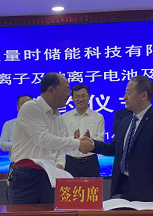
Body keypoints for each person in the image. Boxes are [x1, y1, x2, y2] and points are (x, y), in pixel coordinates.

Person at [83, 76, 153, 203]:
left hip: (150, 191)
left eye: (128, 93)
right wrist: (93, 145)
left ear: (143, 95)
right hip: (126, 187)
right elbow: (116, 148)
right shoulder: (126, 121)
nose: (124, 97)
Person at [8, 72, 92, 204]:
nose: (68, 95)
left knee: (50, 215)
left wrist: (60, 164)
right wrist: (77, 143)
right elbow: (43, 139)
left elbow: (59, 144)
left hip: (49, 174)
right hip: (26, 175)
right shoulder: (31, 107)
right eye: (66, 90)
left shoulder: (57, 115)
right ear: (51, 90)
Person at [62, 84, 105, 177]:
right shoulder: (64, 117)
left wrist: (90, 139)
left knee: (92, 187)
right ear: (72, 98)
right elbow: (61, 140)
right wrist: (74, 139)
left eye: (83, 96)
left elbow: (101, 141)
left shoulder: (98, 117)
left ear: (89, 97)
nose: (80, 99)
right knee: (70, 186)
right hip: (70, 162)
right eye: (77, 96)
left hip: (91, 162)